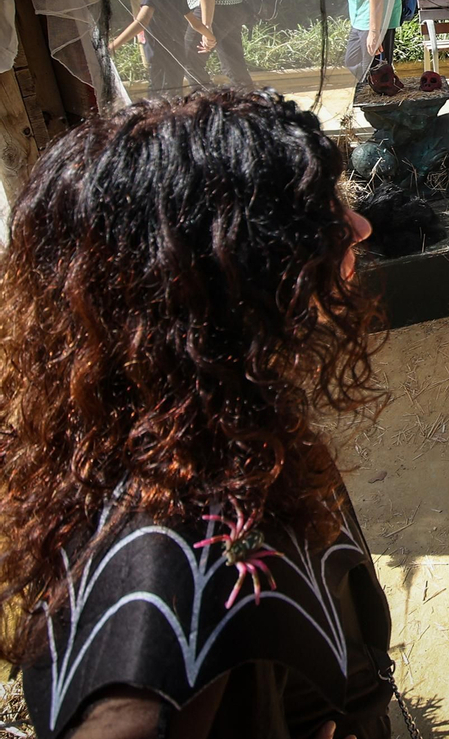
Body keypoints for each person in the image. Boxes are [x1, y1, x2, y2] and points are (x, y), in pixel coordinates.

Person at [0, 89, 397, 737]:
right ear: (212, 270)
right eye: (315, 213)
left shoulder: (183, 429)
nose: (358, 227)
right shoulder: (175, 560)